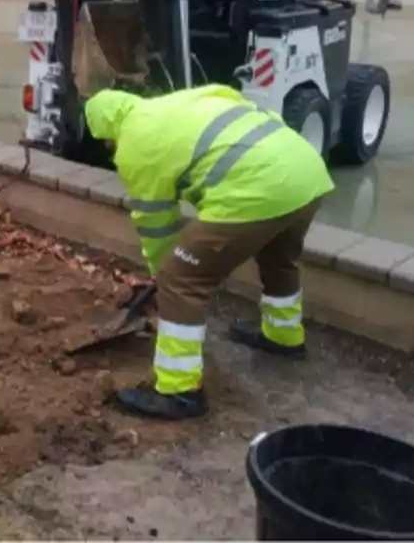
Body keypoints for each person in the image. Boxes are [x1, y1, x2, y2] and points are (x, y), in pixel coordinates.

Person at [83, 86, 334, 420]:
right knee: (278, 257)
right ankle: (283, 334)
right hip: (306, 172)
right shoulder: (179, 102)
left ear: (106, 132)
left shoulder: (134, 143)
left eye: (105, 142)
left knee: (181, 279)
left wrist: (165, 277)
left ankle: (178, 390)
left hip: (260, 186)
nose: (109, 148)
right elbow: (231, 95)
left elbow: (157, 225)